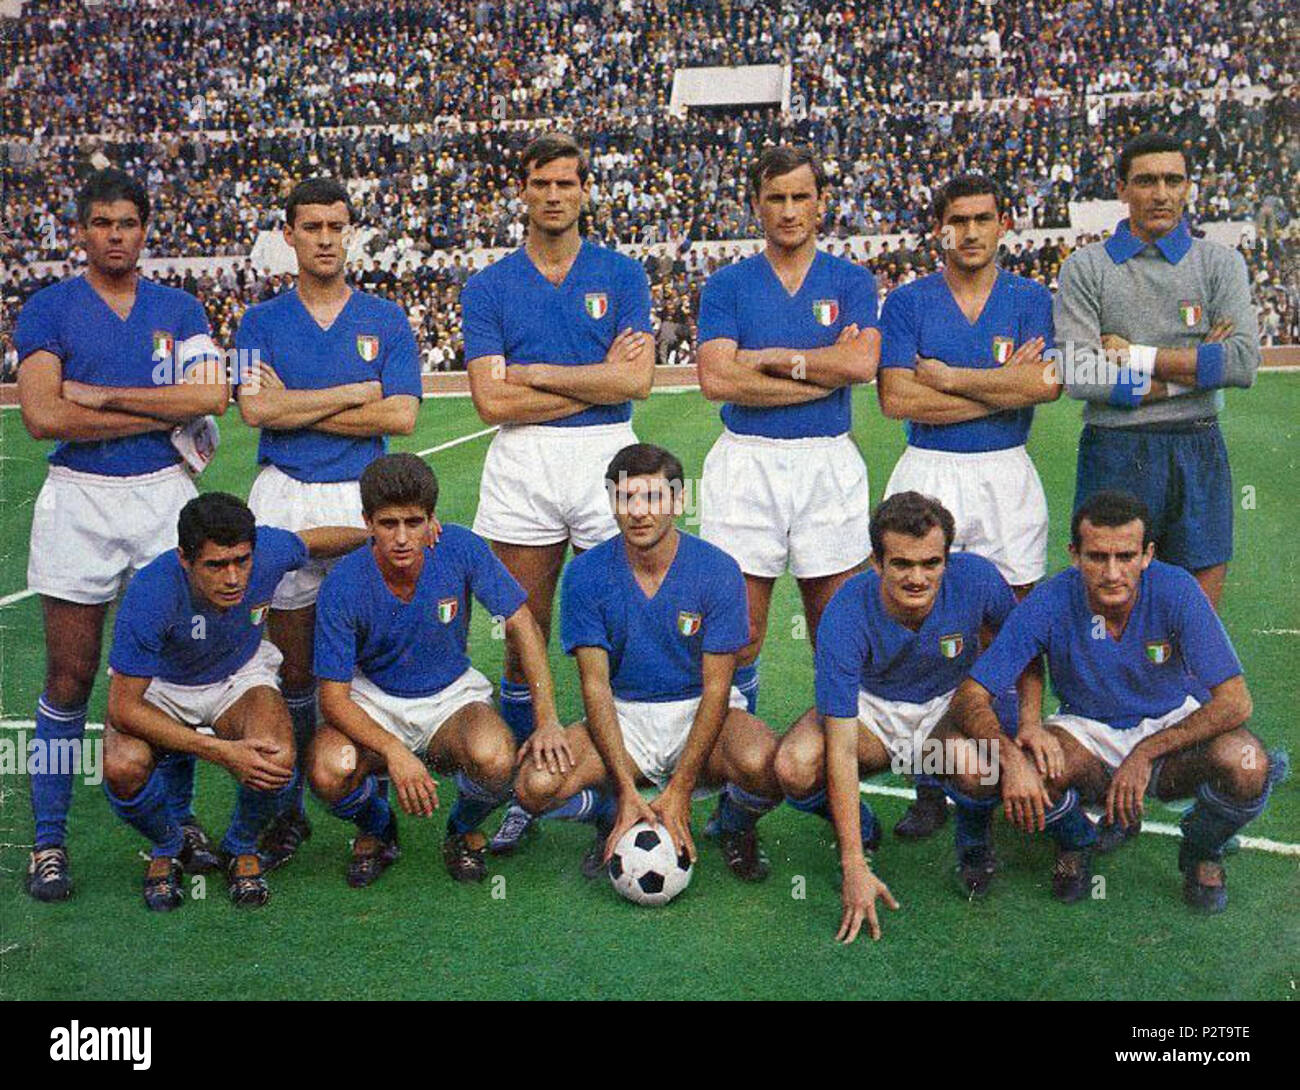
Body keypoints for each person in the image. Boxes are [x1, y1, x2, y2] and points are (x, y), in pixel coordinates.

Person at [15, 168, 229, 902]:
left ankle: (174, 828)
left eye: (127, 222)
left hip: (162, 498)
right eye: (102, 222)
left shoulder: (179, 304)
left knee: (172, 677)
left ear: (145, 229)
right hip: (79, 496)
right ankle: (47, 842)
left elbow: (210, 395)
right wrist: (158, 413)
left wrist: (102, 394)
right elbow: (43, 415)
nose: (115, 235)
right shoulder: (47, 308)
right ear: (81, 231)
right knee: (71, 678)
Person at [950, 490, 1281, 912]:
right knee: (1025, 767)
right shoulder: (1051, 599)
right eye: (1096, 557)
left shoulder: (1176, 589)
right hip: (1085, 732)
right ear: (1074, 554)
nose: (1111, 572)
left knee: (1248, 761)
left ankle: (1201, 849)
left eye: (1125, 556)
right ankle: (1076, 841)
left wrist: (1144, 754)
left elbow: (1236, 702)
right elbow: (970, 696)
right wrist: (1012, 756)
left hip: (1168, 724)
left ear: (1147, 555)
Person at [460, 134, 654, 853]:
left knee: (625, 631)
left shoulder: (622, 273)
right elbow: (488, 402)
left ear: (584, 191)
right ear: (523, 190)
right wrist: (588, 380)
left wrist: (533, 375)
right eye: (540, 182)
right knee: (523, 634)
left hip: (607, 457)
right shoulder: (488, 285)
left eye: (566, 183)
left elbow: (633, 384)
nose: (553, 194)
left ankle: (617, 782)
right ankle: (523, 789)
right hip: (523, 465)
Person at [235, 177, 422, 869]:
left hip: (361, 496)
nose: (323, 238)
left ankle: (368, 813)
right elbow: (255, 412)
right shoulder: (259, 323)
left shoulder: (386, 317)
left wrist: (297, 402)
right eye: (309, 226)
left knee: (365, 660)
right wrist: (352, 393)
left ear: (350, 233)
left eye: (334, 226)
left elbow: (400, 415)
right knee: (291, 665)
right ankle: (288, 812)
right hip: (283, 492)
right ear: (289, 234)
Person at [876, 173, 1059, 838]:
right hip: (929, 470)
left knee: (1012, 624)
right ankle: (930, 780)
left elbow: (1045, 386)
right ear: (940, 229)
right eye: (959, 220)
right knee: (923, 624)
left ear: (1004, 223)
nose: (972, 232)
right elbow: (897, 399)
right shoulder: (908, 302)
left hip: (1007, 473)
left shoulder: (1031, 298)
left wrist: (950, 377)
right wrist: (1002, 387)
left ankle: (1005, 768)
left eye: (984, 218)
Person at [513, 444, 783, 882]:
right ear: (611, 502)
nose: (639, 511)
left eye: (653, 497)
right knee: (534, 786)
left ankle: (735, 826)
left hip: (698, 709)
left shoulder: (718, 570)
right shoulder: (585, 574)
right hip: (625, 717)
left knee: (769, 765)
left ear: (678, 501)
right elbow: (595, 687)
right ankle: (609, 815)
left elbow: (717, 689)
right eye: (626, 498)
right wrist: (623, 789)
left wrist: (679, 791)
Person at [774, 492, 1029, 942]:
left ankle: (972, 838)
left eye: (931, 563)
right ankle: (858, 827)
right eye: (902, 564)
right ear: (877, 562)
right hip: (873, 711)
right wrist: (852, 865)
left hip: (946, 708)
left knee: (979, 765)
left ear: (947, 558)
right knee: (794, 765)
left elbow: (1020, 651)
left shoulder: (978, 580)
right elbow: (843, 745)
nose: (918, 577)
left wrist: (1024, 729)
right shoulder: (845, 612)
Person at [102, 493, 367, 910]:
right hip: (161, 687)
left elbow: (314, 541)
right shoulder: (151, 592)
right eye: (215, 565)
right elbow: (124, 708)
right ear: (185, 560)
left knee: (275, 757)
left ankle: (239, 847)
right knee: (122, 765)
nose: (233, 579)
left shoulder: (269, 551)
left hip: (237, 677)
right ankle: (171, 842)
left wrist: (378, 538)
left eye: (241, 561)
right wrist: (221, 751)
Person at [308, 453, 564, 885]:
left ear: (432, 520)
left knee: (497, 758)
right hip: (374, 699)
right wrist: (393, 750)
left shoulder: (459, 547)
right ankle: (377, 827)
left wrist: (549, 718)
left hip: (451, 697)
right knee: (329, 769)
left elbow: (521, 621)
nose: (403, 538)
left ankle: (460, 830)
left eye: (414, 522)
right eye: (389, 524)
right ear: (367, 522)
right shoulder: (343, 583)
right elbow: (333, 698)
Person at [695, 145, 880, 722]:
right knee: (741, 632)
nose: (789, 210)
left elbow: (859, 367)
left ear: (821, 204)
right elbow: (716, 377)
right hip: (746, 463)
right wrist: (816, 373)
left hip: (826, 462)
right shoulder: (726, 285)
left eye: (801, 196)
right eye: (776, 198)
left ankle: (832, 768)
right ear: (756, 206)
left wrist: (770, 358)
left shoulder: (851, 280)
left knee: (835, 632)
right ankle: (737, 772)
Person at [1055, 132, 1260, 611]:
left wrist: (1138, 356)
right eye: (1146, 181)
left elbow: (1243, 361)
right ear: (1122, 189)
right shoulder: (1086, 268)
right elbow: (1082, 375)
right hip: (1115, 450)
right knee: (1111, 603)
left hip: (1198, 441)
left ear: (1189, 187)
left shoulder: (1221, 264)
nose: (1161, 193)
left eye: (1173, 180)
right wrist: (1194, 370)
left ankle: (1188, 691)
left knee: (1197, 609)